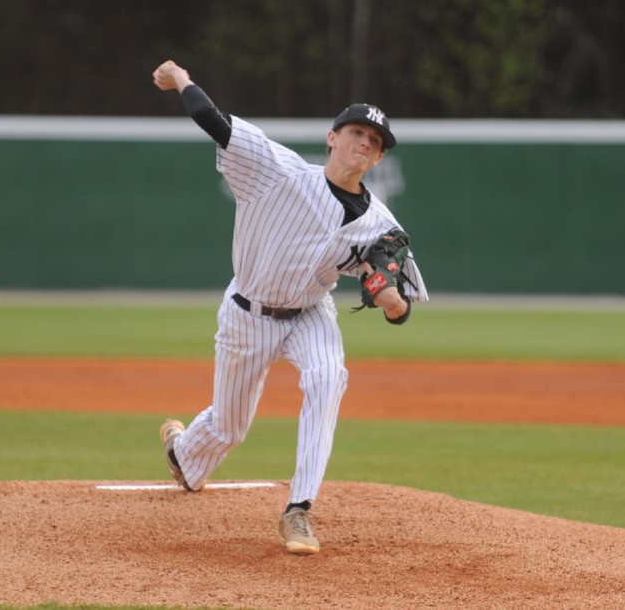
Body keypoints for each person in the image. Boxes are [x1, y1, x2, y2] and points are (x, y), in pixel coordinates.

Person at [152, 60, 427, 554]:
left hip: (309, 313)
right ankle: (182, 452)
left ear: (379, 158)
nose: (365, 142)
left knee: (328, 377)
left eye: (375, 141)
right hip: (246, 315)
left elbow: (401, 306)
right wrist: (183, 81)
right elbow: (213, 120)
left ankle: (298, 511)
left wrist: (391, 304)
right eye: (357, 132)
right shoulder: (276, 172)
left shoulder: (381, 224)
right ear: (332, 137)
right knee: (229, 428)